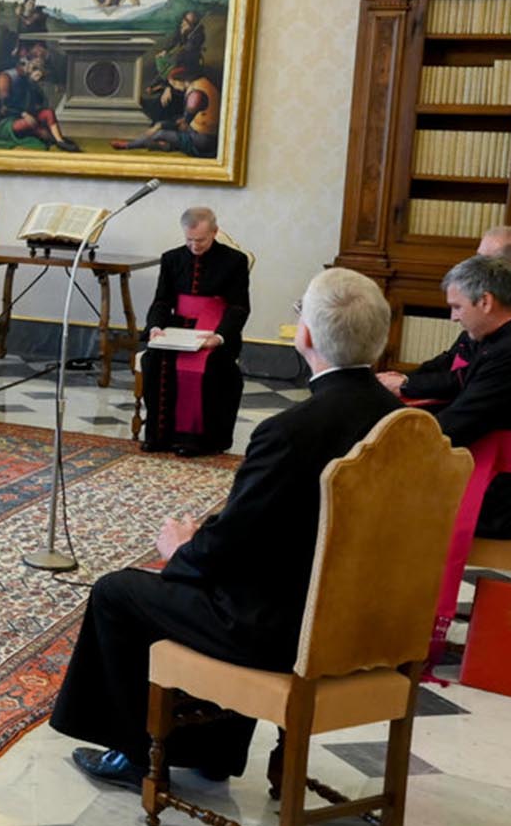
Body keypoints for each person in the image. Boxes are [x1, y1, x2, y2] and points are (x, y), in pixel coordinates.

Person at [52, 268, 403, 786]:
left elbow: (235, 544)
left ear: (304, 336)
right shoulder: (401, 421)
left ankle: (140, 753)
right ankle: (211, 750)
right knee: (213, 579)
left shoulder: (289, 432)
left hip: (286, 628)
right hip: (366, 620)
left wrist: (183, 549)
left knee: (122, 591)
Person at [379, 253, 511, 539]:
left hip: (507, 497)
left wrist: (382, 441)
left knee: (372, 501)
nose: (453, 316)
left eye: (457, 306)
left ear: (485, 301)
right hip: (500, 476)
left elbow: (459, 425)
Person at [392, 230, 511, 400]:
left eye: (481, 260)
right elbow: (455, 356)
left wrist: (406, 384)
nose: (472, 264)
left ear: (508, 267)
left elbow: (469, 378)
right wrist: (404, 378)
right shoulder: (502, 305)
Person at [137, 207, 251, 456]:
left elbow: (239, 307)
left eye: (200, 240)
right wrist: (156, 327)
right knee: (154, 360)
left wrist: (219, 336)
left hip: (216, 331)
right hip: (177, 328)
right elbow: (162, 301)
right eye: (189, 240)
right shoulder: (171, 258)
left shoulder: (234, 261)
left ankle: (199, 440)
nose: (194, 246)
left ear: (214, 232)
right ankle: (160, 436)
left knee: (209, 366)